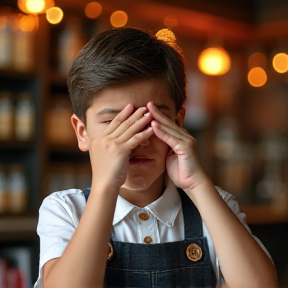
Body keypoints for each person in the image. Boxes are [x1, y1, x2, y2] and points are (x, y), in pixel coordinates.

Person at [34, 27, 278, 288]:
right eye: (115, 123)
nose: (138, 138)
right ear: (83, 133)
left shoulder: (214, 206)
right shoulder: (66, 210)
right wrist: (106, 184)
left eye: (152, 120)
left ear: (178, 123)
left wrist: (198, 184)